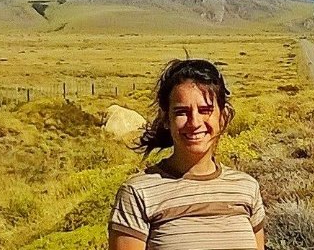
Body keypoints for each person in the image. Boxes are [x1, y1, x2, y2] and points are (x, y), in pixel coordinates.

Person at [108, 59, 265, 250]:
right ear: (166, 119)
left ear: (222, 117)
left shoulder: (247, 188)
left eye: (205, 110)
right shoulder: (138, 194)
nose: (194, 122)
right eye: (182, 112)